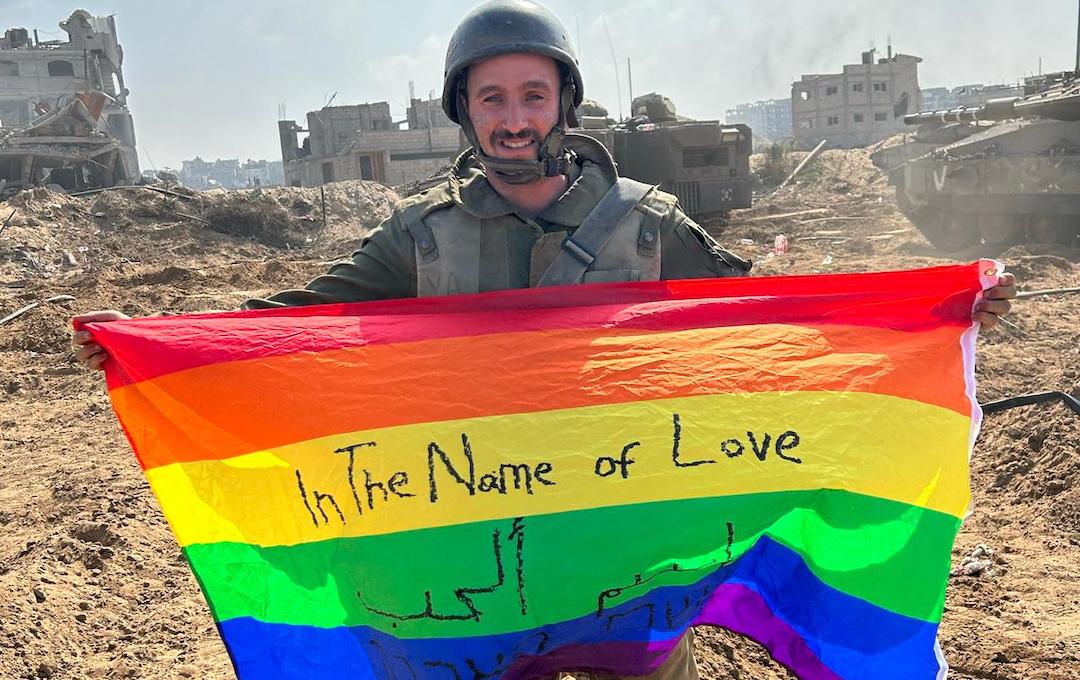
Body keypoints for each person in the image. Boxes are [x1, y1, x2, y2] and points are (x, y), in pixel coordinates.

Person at [72, 1, 1017, 677]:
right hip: (465, 539)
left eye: (532, 94)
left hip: (630, 532)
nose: (514, 117)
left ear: (562, 103)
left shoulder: (648, 225)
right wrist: (154, 343)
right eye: (492, 99)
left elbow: (773, 317)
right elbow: (299, 321)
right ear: (465, 112)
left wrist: (937, 310)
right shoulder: (419, 236)